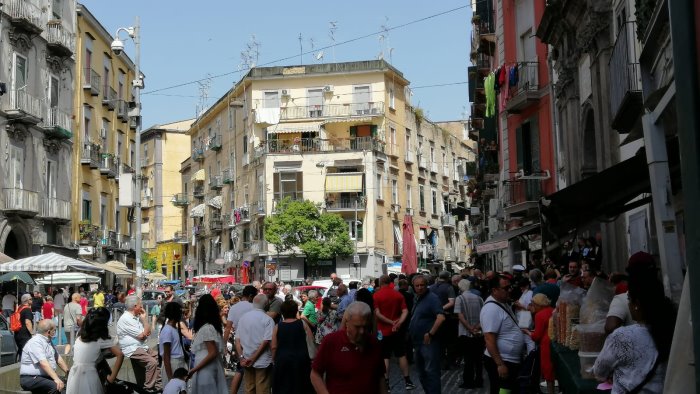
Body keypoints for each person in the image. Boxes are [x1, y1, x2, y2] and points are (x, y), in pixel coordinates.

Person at [593, 264, 675, 393]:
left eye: (629, 299)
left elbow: (599, 371)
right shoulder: (673, 331)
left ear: (636, 304)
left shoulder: (622, 336)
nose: (629, 304)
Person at [311, 301, 388, 394]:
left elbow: (380, 377)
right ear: (347, 322)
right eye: (357, 327)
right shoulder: (332, 341)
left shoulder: (374, 343)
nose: (362, 331)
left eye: (365, 326)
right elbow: (315, 374)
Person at [481, 274, 524, 394]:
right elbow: (489, 338)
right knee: (502, 391)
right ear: (494, 290)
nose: (509, 290)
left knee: (508, 390)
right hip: (503, 361)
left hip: (510, 361)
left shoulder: (503, 303)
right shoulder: (491, 309)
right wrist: (500, 364)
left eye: (510, 287)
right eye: (505, 288)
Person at [66, 307, 124, 394]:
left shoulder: (80, 335)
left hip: (74, 373)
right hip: (89, 374)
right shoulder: (101, 339)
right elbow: (120, 355)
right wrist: (112, 378)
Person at [373, 274, 415, 391]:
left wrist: (390, 322)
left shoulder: (376, 295)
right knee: (401, 354)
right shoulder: (398, 295)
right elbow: (405, 311)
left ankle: (386, 383)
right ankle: (407, 380)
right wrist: (398, 323)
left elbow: (378, 314)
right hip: (397, 330)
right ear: (390, 282)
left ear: (380, 282)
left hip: (383, 331)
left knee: (385, 356)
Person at [408, 275, 446, 394]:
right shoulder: (418, 298)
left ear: (426, 285)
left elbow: (441, 317)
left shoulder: (432, 298)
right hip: (417, 342)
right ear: (413, 287)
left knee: (431, 372)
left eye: (422, 285)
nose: (420, 288)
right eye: (417, 286)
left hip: (428, 342)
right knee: (421, 373)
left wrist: (430, 333)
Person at [117, 295, 162, 392]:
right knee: (152, 362)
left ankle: (158, 386)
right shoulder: (126, 319)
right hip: (132, 348)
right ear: (135, 306)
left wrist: (144, 324)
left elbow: (148, 332)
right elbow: (142, 335)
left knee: (157, 357)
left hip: (141, 346)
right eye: (140, 305)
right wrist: (144, 320)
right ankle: (148, 388)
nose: (142, 307)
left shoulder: (135, 317)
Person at [187, 294, 227, 394]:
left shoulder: (207, 328)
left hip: (205, 369)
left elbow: (212, 352)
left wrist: (194, 369)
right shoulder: (212, 327)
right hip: (208, 367)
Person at [271, 300, 314, 393]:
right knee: (300, 387)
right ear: (295, 311)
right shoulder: (303, 324)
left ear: (282, 312)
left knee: (283, 387)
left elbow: (274, 346)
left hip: (282, 360)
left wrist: (273, 359)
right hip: (301, 360)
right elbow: (311, 341)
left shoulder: (278, 327)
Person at [235, 294, 275, 393]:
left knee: (249, 388)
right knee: (263, 388)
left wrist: (241, 357)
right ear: (266, 304)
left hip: (246, 359)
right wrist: (254, 357)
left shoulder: (243, 318)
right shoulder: (268, 320)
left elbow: (237, 340)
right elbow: (266, 341)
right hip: (263, 361)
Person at [19, 319, 70, 394]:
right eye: (54, 330)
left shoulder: (47, 341)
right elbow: (43, 363)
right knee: (56, 386)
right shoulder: (35, 342)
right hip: (30, 378)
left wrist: (68, 373)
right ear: (49, 332)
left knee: (68, 384)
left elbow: (58, 359)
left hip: (43, 377)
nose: (55, 332)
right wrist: (56, 379)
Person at [223, 285, 256, 394]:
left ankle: (233, 392)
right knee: (251, 369)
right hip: (253, 340)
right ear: (251, 296)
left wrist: (224, 344)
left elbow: (228, 327)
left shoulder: (234, 307)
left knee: (240, 368)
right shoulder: (254, 307)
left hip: (238, 341)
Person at [455, 279, 484, 389]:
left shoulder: (460, 298)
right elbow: (483, 314)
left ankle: (468, 381)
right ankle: (479, 380)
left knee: (468, 358)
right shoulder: (479, 298)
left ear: (460, 288)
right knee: (478, 359)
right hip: (478, 332)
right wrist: (477, 326)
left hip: (466, 333)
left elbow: (460, 316)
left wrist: (470, 328)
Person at [526, 293, 555, 394]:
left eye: (533, 304)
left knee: (548, 372)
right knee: (554, 369)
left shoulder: (539, 315)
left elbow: (536, 336)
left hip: (546, 344)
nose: (532, 306)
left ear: (538, 304)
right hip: (554, 342)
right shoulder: (553, 310)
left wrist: (528, 332)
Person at [159, 302, 188, 387]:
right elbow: (166, 356)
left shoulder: (174, 328)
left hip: (179, 362)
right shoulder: (167, 330)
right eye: (180, 313)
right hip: (173, 364)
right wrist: (170, 378)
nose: (181, 315)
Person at [15, 293, 35, 360]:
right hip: (25, 335)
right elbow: (28, 322)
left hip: (17, 333)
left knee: (21, 352)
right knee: (27, 354)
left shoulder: (19, 308)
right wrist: (32, 333)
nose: (32, 300)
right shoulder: (27, 310)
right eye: (30, 299)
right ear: (27, 300)